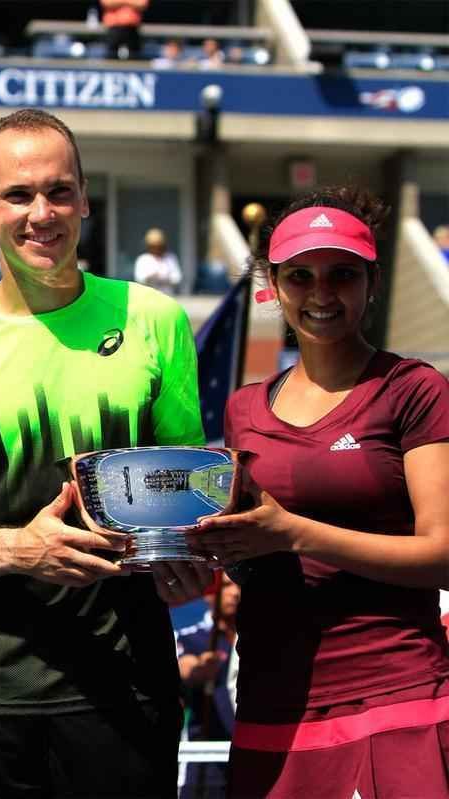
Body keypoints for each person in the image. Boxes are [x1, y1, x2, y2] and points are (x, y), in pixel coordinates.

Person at [0, 108, 211, 798]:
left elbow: (181, 495)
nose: (42, 212)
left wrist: (188, 555)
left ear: (86, 198)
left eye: (59, 191)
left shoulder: (156, 320)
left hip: (130, 684)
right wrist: (19, 550)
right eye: (18, 195)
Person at [192, 185, 449, 797]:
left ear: (371, 282)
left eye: (342, 275)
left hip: (398, 693)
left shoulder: (416, 390)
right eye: (300, 276)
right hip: (272, 700)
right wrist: (208, 556)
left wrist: (296, 532)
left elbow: (443, 555)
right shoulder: (244, 409)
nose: (322, 294)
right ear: (272, 287)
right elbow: (259, 559)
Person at [176, 573, 239, 798]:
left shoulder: (256, 637)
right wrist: (196, 670)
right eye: (225, 586)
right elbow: (183, 666)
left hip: (251, 750)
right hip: (205, 759)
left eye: (237, 586)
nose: (234, 593)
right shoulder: (193, 636)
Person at [135, 227, 183, 295]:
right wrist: (151, 277)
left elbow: (177, 278)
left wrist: (165, 278)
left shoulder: (170, 257)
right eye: (154, 247)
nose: (157, 249)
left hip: (167, 295)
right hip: (148, 296)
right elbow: (139, 279)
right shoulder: (143, 259)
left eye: (159, 246)